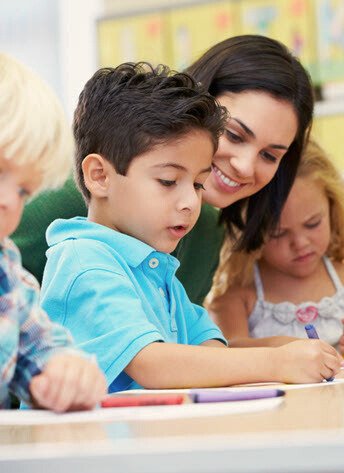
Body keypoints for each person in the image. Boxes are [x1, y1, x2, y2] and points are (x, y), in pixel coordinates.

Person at [40, 62, 341, 392]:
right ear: (99, 176)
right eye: (168, 181)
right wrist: (277, 362)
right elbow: (153, 364)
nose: (191, 202)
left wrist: (283, 351)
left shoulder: (157, 270)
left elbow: (208, 351)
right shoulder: (85, 261)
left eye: (198, 184)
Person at [13, 34, 314, 306]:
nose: (245, 166)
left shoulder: (207, 231)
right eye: (234, 135)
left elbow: (178, 349)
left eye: (269, 155)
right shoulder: (75, 194)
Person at [0, 53, 106, 411]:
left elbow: (41, 346)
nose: (8, 202)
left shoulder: (6, 272)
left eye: (22, 192)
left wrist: (67, 372)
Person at [208, 140, 344, 354]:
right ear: (248, 232)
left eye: (312, 223)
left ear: (332, 208)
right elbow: (224, 351)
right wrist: (284, 348)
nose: (300, 243)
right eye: (278, 233)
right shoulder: (239, 294)